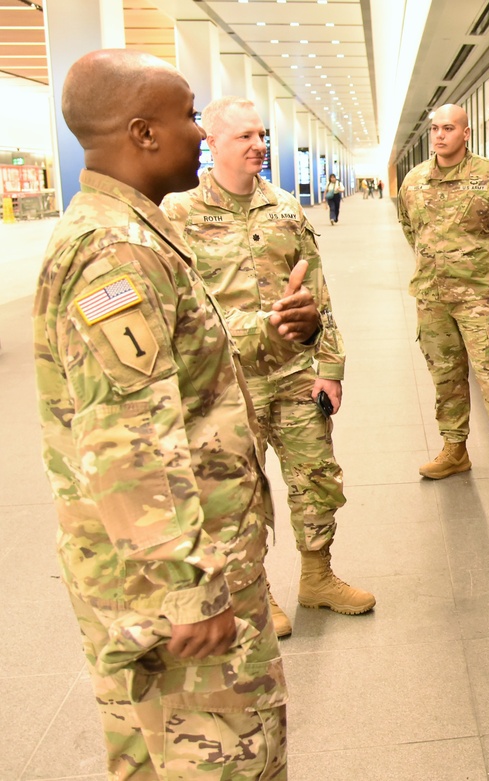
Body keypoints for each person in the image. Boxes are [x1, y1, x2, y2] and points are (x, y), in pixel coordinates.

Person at [33, 50, 287, 777]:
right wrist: (189, 585)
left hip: (135, 570)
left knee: (149, 755)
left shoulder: (126, 231)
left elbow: (168, 377)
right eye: (189, 116)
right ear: (143, 133)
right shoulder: (117, 250)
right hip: (173, 581)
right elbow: (128, 437)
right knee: (225, 757)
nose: (202, 132)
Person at [163, 97, 375, 639]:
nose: (260, 145)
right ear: (212, 143)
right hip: (226, 382)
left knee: (317, 477)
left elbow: (318, 293)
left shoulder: (284, 207)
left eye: (262, 135)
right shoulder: (180, 214)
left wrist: (331, 365)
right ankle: (254, 593)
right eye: (245, 138)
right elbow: (171, 307)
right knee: (238, 492)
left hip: (295, 374)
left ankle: (317, 577)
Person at [397, 103, 489, 491]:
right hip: (432, 295)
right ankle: (454, 449)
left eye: (449, 128)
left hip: (479, 296)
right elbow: (410, 228)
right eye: (435, 129)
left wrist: (487, 268)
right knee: (445, 376)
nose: (440, 135)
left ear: (466, 133)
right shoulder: (414, 180)